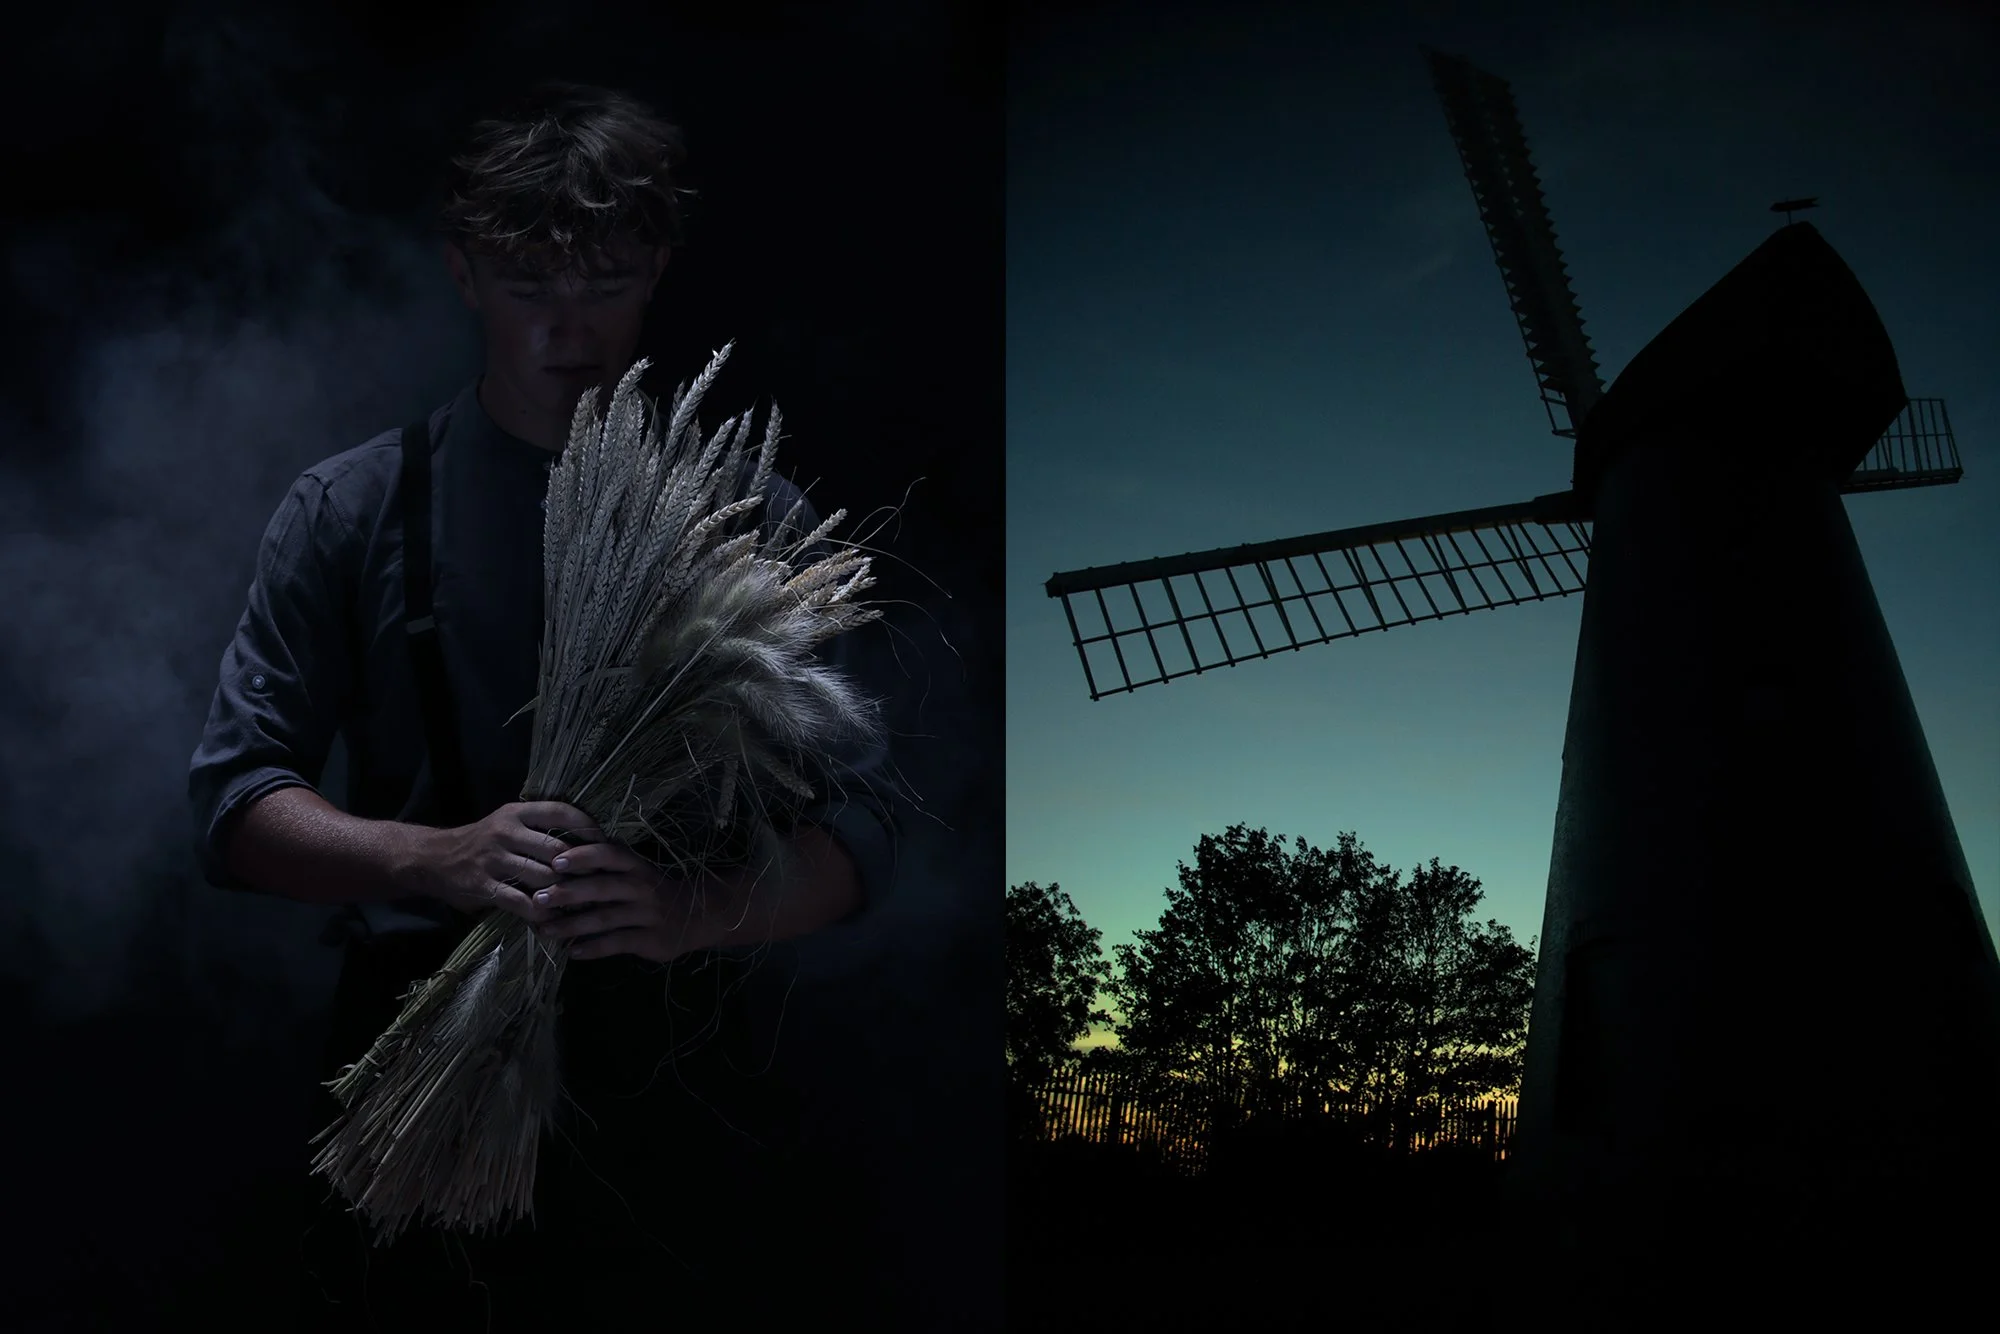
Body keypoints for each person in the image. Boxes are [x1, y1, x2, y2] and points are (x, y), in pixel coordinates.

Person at [187, 82, 895, 1329]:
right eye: (529, 288)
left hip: (681, 1102)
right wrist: (438, 855)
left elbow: (868, 826)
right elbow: (238, 804)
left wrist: (694, 908)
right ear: (463, 274)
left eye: (606, 281)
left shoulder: (757, 525)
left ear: (658, 268)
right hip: (410, 1065)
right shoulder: (352, 510)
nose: (568, 331)